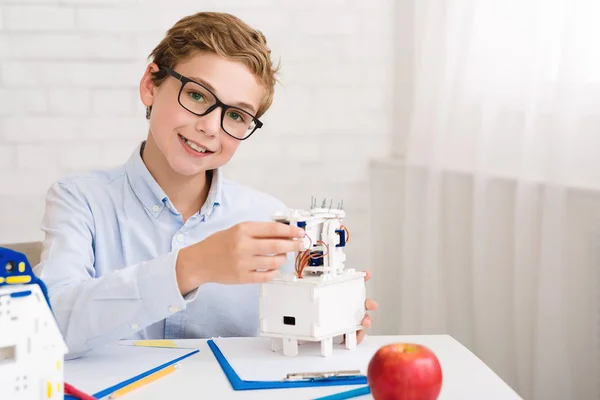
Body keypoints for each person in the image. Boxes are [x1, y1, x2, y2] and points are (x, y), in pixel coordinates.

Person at [33, 11, 377, 357]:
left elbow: (284, 335)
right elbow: (48, 327)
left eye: (236, 116)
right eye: (197, 96)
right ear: (151, 85)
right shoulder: (80, 200)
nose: (211, 128)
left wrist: (321, 326)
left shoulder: (269, 218)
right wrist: (192, 265)